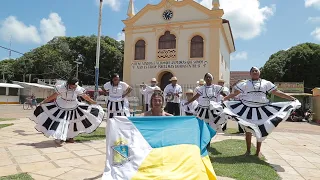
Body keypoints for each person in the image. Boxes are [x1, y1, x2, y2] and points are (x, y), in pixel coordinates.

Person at [223, 67, 300, 156]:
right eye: (252, 71)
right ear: (250, 73)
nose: (254, 72)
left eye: (256, 71)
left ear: (259, 73)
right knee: (248, 130)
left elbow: (276, 92)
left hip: (262, 109)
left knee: (261, 130)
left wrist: (291, 98)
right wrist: (225, 98)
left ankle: (257, 152)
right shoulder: (245, 84)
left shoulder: (266, 83)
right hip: (247, 109)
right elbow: (235, 93)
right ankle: (248, 151)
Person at [31, 77, 104, 144]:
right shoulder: (62, 87)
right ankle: (61, 137)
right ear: (69, 84)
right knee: (62, 122)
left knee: (72, 123)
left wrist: (93, 102)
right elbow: (53, 96)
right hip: (61, 105)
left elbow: (85, 97)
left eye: (75, 85)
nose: (74, 87)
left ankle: (70, 137)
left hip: (74, 106)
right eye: (73, 85)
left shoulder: (78, 89)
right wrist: (44, 101)